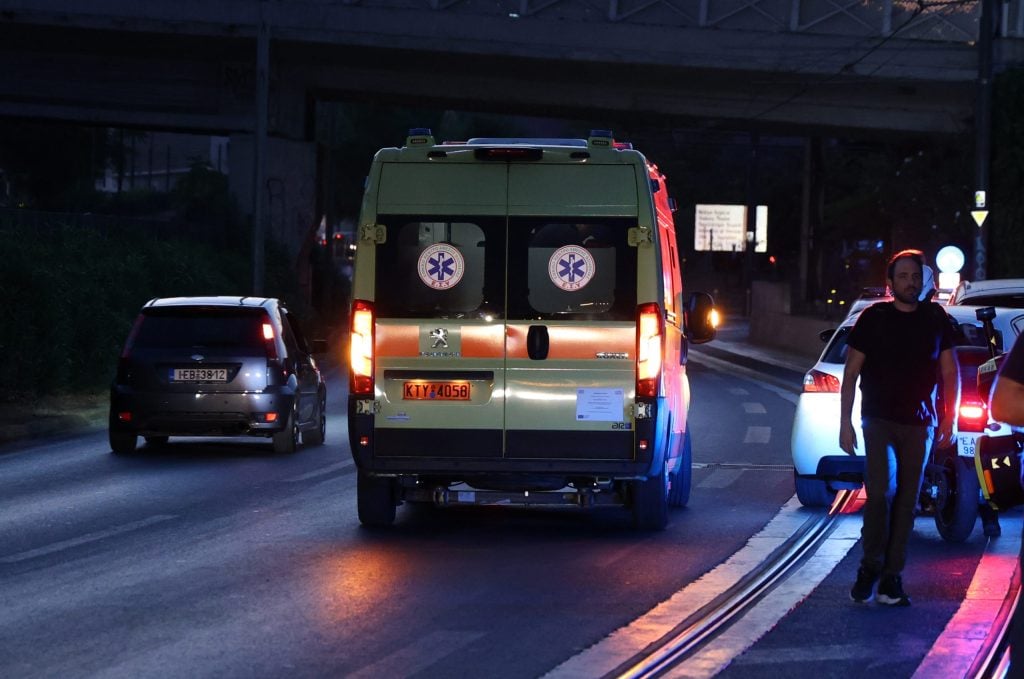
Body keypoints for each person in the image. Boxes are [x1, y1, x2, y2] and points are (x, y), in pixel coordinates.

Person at [839, 249, 958, 606]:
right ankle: (870, 566)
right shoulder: (873, 318)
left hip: (920, 424)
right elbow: (851, 373)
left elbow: (950, 371)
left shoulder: (936, 318)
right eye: (903, 276)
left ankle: (891, 578)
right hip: (878, 420)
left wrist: (948, 417)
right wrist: (845, 423)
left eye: (916, 276)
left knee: (907, 503)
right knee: (879, 493)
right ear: (890, 283)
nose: (911, 282)